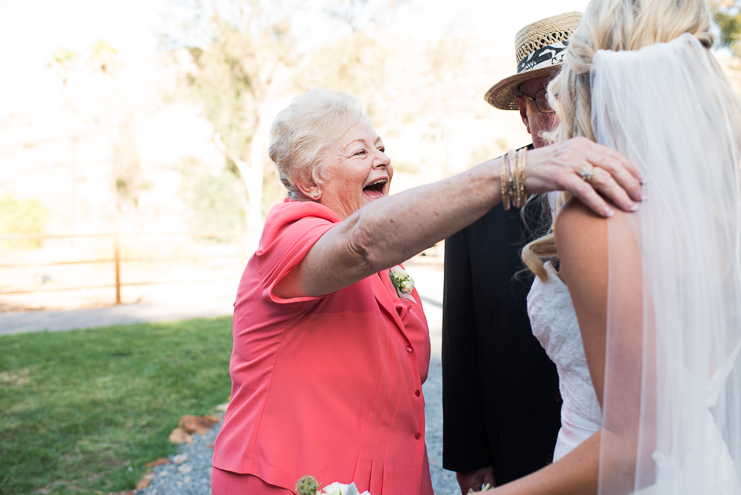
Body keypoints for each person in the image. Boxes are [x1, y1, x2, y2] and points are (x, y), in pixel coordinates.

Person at [209, 87, 642, 495]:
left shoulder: (386, 266)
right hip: (290, 480)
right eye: (360, 152)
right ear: (308, 181)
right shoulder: (290, 239)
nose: (381, 161)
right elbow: (362, 241)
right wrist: (514, 172)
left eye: (381, 147)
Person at [480, 0, 741, 493]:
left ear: (582, 82)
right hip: (707, 470)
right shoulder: (723, 203)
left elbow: (632, 450)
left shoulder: (598, 214)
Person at [442, 13, 580, 493]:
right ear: (523, 112)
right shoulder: (476, 205)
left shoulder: (646, 189)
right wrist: (469, 452)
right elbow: (462, 338)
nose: (562, 112)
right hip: (517, 451)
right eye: (546, 96)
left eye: (576, 89)